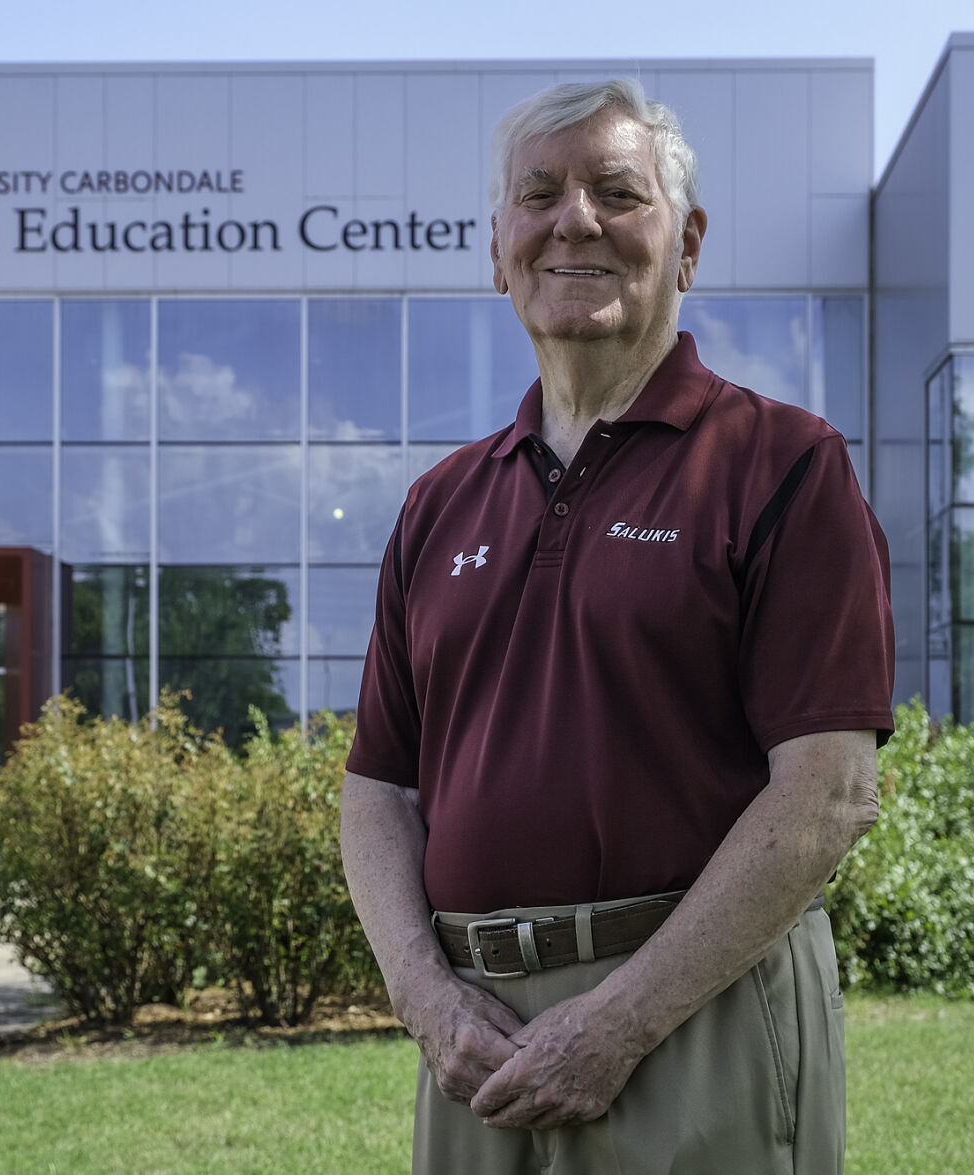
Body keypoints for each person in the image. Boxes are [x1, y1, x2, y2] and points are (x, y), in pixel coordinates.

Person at [339, 78, 895, 1175]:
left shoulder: (782, 465)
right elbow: (376, 791)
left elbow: (827, 790)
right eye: (536, 194)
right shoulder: (439, 501)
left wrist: (618, 1021)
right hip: (472, 1037)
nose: (572, 220)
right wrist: (425, 999)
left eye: (615, 192)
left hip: (694, 1015)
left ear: (684, 245)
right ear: (496, 246)